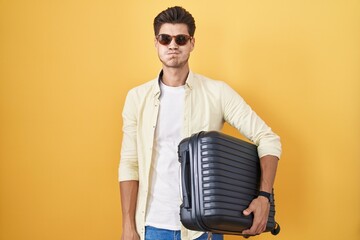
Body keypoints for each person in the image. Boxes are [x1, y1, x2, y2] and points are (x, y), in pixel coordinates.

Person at [118, 6, 281, 240]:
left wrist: (263, 197)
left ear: (192, 43)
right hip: (151, 226)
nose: (172, 45)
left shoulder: (217, 93)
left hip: (203, 228)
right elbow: (129, 163)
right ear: (156, 43)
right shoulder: (136, 98)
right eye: (165, 39)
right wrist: (128, 225)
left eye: (180, 39)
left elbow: (268, 139)